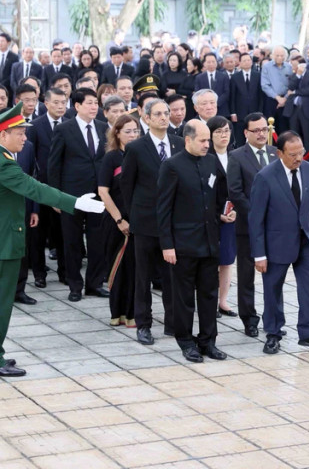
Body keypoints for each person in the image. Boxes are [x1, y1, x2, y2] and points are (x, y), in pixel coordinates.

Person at [0, 103, 105, 377]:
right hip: (2, 244)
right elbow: (34, 187)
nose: (25, 138)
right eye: (20, 133)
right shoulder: (1, 162)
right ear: (3, 134)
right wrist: (76, 202)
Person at [249, 130, 309, 354]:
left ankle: (308, 333)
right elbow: (255, 219)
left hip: (305, 241)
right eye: (293, 154)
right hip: (276, 244)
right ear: (279, 153)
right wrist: (259, 254)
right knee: (273, 290)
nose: (298, 158)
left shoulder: (308, 170)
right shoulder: (265, 177)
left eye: (301, 153)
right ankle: (273, 334)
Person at [158, 119, 235, 362]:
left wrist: (222, 213)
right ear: (188, 140)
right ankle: (186, 341)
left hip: (209, 241)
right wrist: (167, 244)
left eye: (207, 140)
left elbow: (217, 195)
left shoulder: (211, 162)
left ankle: (208, 341)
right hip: (183, 244)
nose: (206, 144)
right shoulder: (172, 166)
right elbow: (163, 209)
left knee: (209, 294)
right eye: (202, 140)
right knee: (183, 297)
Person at [121, 98, 184, 345]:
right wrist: (134, 214)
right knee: (143, 276)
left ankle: (172, 322)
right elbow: (126, 185)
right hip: (145, 223)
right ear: (146, 118)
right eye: (157, 114)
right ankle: (143, 324)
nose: (163, 117)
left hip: (174, 223)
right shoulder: (137, 148)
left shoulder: (179, 144)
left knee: (172, 276)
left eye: (166, 113)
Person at [47, 88, 109, 302]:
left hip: (98, 193)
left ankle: (94, 284)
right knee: (72, 242)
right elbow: (53, 165)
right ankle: (74, 285)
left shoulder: (103, 127)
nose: (94, 107)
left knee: (97, 240)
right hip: (71, 195)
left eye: (96, 103)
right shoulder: (64, 129)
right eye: (89, 103)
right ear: (77, 106)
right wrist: (56, 196)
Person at [227, 113, 278, 337]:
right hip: (247, 227)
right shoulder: (237, 156)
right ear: (246, 133)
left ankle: (273, 319)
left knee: (275, 275)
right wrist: (257, 215)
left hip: (275, 228)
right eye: (255, 130)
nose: (261, 134)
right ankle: (249, 319)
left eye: (264, 129)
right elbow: (235, 192)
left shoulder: (276, 154)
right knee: (246, 275)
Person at [98, 114, 139, 327]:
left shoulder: (141, 155)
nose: (132, 135)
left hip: (138, 221)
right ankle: (117, 313)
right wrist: (120, 220)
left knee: (135, 269)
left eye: (135, 131)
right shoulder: (112, 157)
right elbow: (103, 192)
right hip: (115, 221)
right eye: (128, 131)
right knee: (118, 269)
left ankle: (132, 313)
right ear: (117, 133)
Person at [27, 87, 68, 287]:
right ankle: (39, 273)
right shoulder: (35, 126)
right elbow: (31, 157)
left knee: (61, 233)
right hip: (41, 188)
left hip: (62, 188)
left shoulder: (70, 124)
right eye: (56, 103)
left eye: (64, 102)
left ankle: (64, 270)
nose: (61, 106)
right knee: (38, 234)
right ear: (46, 104)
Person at [207, 116, 238, 318]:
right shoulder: (206, 158)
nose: (223, 135)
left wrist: (236, 211)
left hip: (232, 215)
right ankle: (208, 300)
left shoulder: (235, 156)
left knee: (227, 260)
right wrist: (218, 214)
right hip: (210, 216)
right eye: (218, 131)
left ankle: (223, 301)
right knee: (210, 261)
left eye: (226, 130)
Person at [229, 53, 264, 144]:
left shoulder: (258, 75)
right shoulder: (235, 77)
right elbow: (232, 96)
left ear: (251, 62)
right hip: (240, 112)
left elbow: (261, 95)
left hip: (255, 110)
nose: (247, 62)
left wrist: (260, 112)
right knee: (240, 137)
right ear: (240, 62)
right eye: (244, 60)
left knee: (255, 135)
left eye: (248, 60)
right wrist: (233, 113)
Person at [260, 46, 292, 132]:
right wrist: (278, 98)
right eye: (277, 55)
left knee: (284, 127)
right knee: (270, 126)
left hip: (286, 100)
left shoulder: (289, 67)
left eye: (282, 56)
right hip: (271, 100)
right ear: (273, 56)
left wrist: (284, 99)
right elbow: (265, 85)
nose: (280, 58)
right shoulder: (267, 67)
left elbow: (292, 85)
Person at [194, 53, 231, 118]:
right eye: (208, 62)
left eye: (213, 61)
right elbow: (198, 93)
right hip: (205, 110)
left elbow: (226, 92)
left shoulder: (224, 76)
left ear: (216, 62)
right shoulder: (199, 77)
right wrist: (208, 104)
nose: (211, 64)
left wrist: (215, 103)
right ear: (204, 63)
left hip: (221, 109)